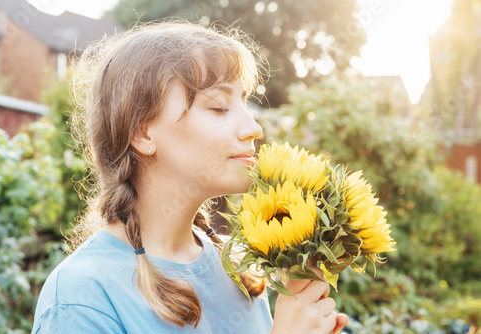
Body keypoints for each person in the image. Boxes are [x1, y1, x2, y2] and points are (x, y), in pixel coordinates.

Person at [31, 21, 349, 334]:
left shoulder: (238, 266)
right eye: (219, 107)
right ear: (142, 132)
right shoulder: (80, 298)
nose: (254, 127)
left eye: (244, 101)